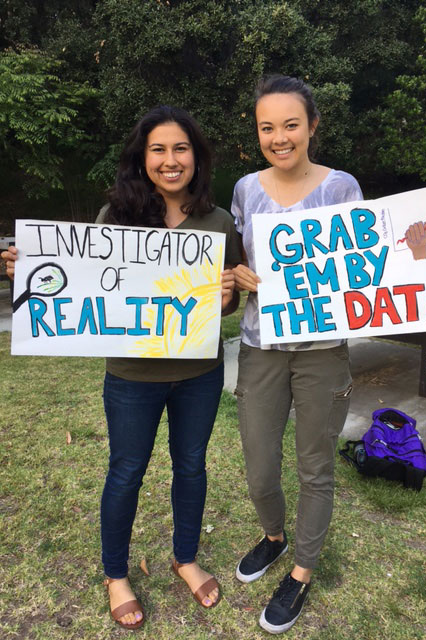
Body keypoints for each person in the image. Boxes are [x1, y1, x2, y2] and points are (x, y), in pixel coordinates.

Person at [229, 73, 426, 635]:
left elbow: (374, 262)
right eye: (267, 127)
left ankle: (301, 571)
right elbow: (240, 265)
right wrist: (238, 276)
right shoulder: (245, 188)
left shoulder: (341, 187)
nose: (280, 137)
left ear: (312, 127)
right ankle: (273, 537)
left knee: (315, 466)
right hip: (260, 347)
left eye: (291, 125)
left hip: (322, 352)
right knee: (259, 465)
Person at [2, 105, 242, 630]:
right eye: (159, 149)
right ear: (142, 157)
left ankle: (185, 557)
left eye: (182, 149)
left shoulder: (220, 221)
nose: (171, 160)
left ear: (197, 158)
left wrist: (226, 297)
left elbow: (226, 306)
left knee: (192, 466)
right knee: (127, 471)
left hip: (200, 373)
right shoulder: (116, 217)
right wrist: (34, 269)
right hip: (133, 377)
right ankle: (116, 575)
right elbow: (79, 278)